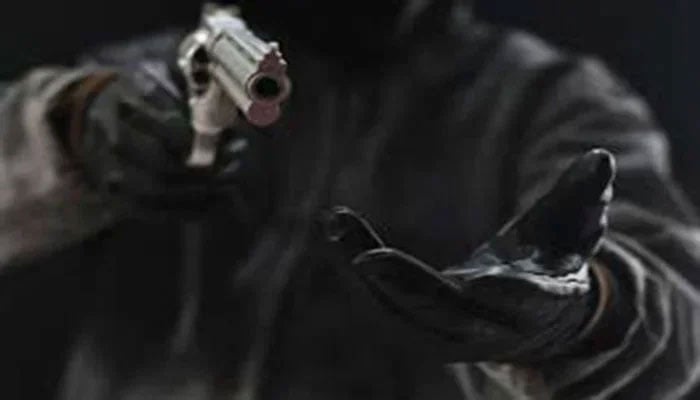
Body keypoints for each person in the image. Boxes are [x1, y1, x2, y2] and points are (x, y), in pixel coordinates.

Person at [0, 0, 699, 399]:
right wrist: (70, 127)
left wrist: (589, 310)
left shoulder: (550, 99)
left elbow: (678, 311)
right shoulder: (159, 70)